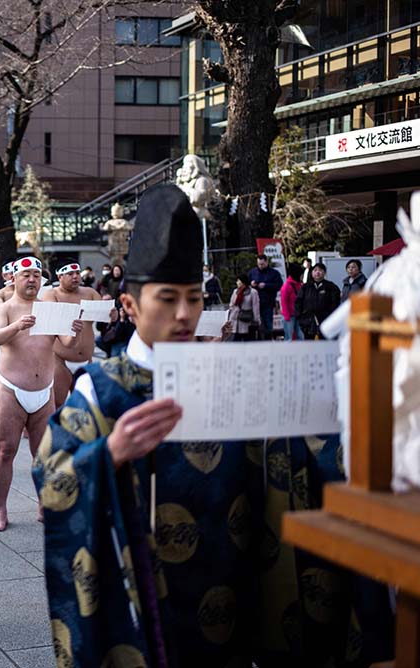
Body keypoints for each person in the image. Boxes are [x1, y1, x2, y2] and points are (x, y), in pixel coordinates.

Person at [33, 184, 393, 667]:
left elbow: (296, 452)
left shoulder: (233, 373)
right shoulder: (101, 388)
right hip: (148, 587)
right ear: (131, 306)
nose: (185, 314)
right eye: (167, 299)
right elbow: (52, 477)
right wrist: (110, 452)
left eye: (193, 298)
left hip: (233, 570)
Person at [0, 255, 84, 531]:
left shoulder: (49, 309)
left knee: (43, 453)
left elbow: (65, 342)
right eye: (26, 275)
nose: (31, 279)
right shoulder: (6, 309)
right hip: (11, 388)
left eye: (36, 275)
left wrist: (74, 333)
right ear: (15, 278)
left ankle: (44, 504)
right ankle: (1, 510)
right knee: (6, 450)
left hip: (44, 390)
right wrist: (18, 326)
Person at [42, 261, 101, 407]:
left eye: (77, 273)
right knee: (56, 403)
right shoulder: (51, 294)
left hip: (86, 360)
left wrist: (113, 315)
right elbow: (52, 319)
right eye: (70, 274)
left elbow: (104, 317)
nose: (75, 277)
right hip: (60, 359)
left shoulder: (90, 293)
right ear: (60, 276)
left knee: (85, 405)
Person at [295, 262, 341, 340]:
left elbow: (335, 304)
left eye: (320, 270)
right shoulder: (306, 287)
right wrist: (300, 318)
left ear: (324, 273)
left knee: (324, 344)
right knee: (309, 345)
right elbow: (298, 302)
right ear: (312, 273)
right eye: (315, 270)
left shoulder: (331, 287)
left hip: (325, 321)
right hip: (308, 322)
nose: (317, 272)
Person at [249, 253, 283, 340]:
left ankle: (268, 341)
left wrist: (266, 286)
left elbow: (279, 285)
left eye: (262, 264)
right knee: (256, 324)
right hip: (255, 303)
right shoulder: (253, 272)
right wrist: (251, 284)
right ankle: (258, 341)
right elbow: (246, 283)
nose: (260, 266)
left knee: (268, 324)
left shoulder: (274, 273)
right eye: (259, 264)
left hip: (268, 302)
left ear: (267, 262)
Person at [226, 275, 261, 342]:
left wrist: (256, 320)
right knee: (235, 340)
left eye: (239, 281)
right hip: (235, 319)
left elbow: (255, 307)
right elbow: (231, 305)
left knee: (247, 339)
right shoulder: (235, 291)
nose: (237, 282)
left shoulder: (253, 292)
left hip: (246, 319)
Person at [280, 265, 302, 341]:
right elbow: (284, 302)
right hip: (289, 316)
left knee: (300, 336)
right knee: (289, 338)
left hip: (298, 315)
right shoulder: (286, 286)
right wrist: (287, 316)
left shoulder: (299, 284)